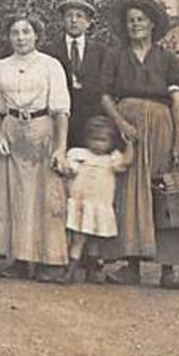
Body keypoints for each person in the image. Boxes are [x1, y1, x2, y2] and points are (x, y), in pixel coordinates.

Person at [97, 0, 179, 289]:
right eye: (130, 21)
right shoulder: (115, 56)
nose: (135, 25)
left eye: (140, 20)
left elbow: (177, 100)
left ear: (152, 24)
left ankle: (169, 269)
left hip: (161, 128)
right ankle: (132, 265)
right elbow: (104, 95)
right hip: (128, 131)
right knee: (129, 195)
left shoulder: (167, 58)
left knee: (163, 192)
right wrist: (122, 123)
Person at [0, 14, 72, 283]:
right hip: (12, 131)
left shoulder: (50, 65)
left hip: (42, 129)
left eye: (26, 32)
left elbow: (61, 109)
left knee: (46, 196)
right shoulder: (1, 66)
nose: (20, 37)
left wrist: (60, 147)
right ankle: (20, 259)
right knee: (17, 197)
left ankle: (51, 260)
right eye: (15, 32)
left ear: (36, 35)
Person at [64, 115, 134, 284]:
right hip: (82, 204)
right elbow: (68, 170)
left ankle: (92, 271)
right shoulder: (79, 154)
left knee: (95, 240)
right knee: (78, 239)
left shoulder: (111, 159)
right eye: (94, 139)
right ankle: (70, 270)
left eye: (103, 140)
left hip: (99, 205)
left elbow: (126, 161)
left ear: (110, 141)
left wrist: (130, 143)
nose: (98, 144)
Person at [46, 0, 107, 149]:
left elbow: (106, 86)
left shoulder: (102, 51)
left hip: (92, 119)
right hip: (59, 118)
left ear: (88, 22)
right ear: (62, 21)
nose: (73, 20)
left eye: (79, 16)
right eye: (69, 16)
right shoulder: (49, 51)